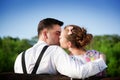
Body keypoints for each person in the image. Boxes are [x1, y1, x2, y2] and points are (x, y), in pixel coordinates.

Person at [14, 18, 107, 79]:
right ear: (45, 34)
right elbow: (79, 72)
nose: (59, 38)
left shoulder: (19, 57)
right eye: (57, 33)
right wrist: (101, 61)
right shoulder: (55, 51)